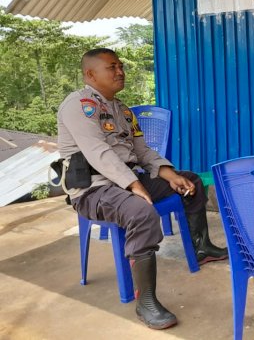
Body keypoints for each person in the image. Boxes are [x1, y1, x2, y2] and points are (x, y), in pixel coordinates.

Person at [56, 48, 228, 330]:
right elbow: (99, 152)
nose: (120, 71)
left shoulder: (122, 109)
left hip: (127, 179)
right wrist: (134, 185)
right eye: (112, 67)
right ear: (90, 74)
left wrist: (168, 173)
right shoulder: (78, 106)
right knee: (140, 211)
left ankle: (201, 248)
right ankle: (145, 301)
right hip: (93, 188)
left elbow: (142, 150)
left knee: (191, 181)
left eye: (121, 66)